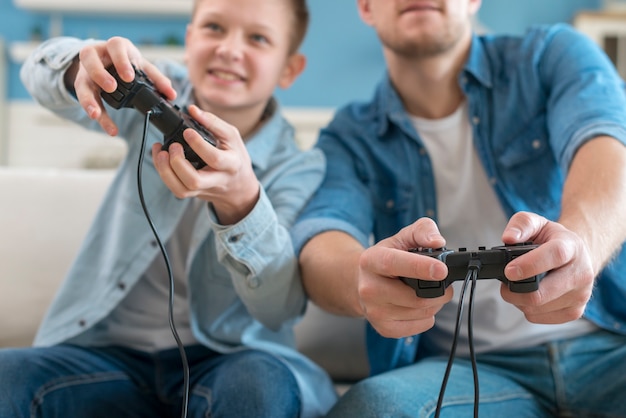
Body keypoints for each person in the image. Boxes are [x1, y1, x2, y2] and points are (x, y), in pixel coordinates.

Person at [0, 0, 338, 417]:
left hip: (225, 360)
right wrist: (77, 66)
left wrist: (242, 202)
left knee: (260, 386)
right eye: (214, 28)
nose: (230, 49)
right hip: (107, 356)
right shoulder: (158, 92)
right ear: (191, 38)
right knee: (7, 377)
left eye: (258, 38)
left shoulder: (300, 167)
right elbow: (37, 70)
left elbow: (278, 307)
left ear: (289, 68)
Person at [291, 0, 626, 416]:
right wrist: (362, 281)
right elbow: (321, 237)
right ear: (365, 7)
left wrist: (583, 247)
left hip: (611, 344)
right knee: (373, 409)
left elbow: (608, 144)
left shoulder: (553, 55)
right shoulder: (349, 137)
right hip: (467, 370)